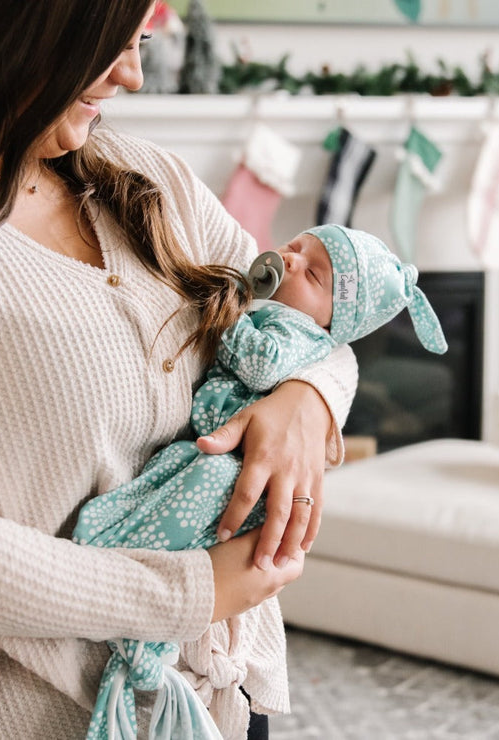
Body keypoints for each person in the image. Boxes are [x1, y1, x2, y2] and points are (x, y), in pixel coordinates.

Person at [0, 1, 359, 737]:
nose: (133, 75)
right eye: (107, 45)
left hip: (221, 691)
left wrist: (308, 397)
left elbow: (322, 328)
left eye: (140, 41)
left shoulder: (153, 181)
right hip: (40, 716)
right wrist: (192, 590)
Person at [73, 223, 448, 739]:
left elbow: (262, 360)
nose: (290, 261)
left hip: (235, 466)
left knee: (195, 492)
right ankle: (121, 535)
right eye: (295, 247)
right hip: (213, 445)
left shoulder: (291, 331)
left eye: (313, 273)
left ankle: (124, 558)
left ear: (333, 320)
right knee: (174, 479)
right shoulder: (273, 307)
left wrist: (229, 319)